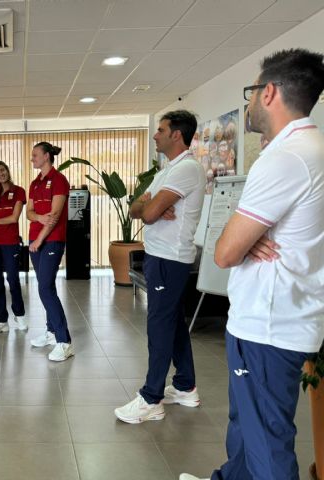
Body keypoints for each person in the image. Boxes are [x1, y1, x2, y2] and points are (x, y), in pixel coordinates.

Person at [182, 48, 324, 480]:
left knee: (266, 441)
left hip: (268, 322)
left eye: (251, 91)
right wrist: (251, 238)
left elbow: (225, 251)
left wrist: (245, 238)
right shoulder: (313, 148)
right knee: (245, 427)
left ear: (269, 93)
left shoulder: (285, 159)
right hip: (285, 315)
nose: (248, 103)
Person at [115, 110, 205, 424]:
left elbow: (149, 212)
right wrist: (148, 205)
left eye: (161, 129)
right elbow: (137, 205)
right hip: (159, 256)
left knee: (160, 326)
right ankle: (185, 386)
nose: (156, 135)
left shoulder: (188, 168)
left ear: (176, 135)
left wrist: (151, 206)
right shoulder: (168, 169)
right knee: (174, 322)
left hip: (169, 258)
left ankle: (151, 398)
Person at [27, 142, 72, 362]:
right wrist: (37, 218)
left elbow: (54, 216)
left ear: (46, 156)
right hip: (35, 240)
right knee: (47, 286)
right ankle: (51, 332)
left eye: (35, 155)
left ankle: (64, 341)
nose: (32, 158)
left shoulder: (59, 181)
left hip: (50, 241)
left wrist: (38, 239)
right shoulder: (35, 183)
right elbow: (28, 212)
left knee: (45, 288)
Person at [0, 161, 27, 335]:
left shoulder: (19, 191)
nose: (1, 174)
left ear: (8, 171)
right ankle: (1, 320)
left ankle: (20, 314)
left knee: (13, 280)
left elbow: (14, 218)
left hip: (10, 243)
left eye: (3, 170)